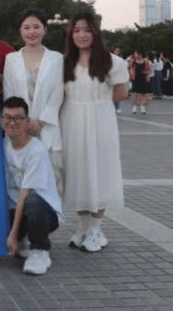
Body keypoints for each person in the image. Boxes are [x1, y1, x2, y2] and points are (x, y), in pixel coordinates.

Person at [60, 13, 128, 253]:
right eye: (77, 30)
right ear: (71, 34)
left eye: (87, 30)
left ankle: (96, 229)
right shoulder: (64, 63)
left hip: (101, 122)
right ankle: (83, 226)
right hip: (71, 121)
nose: (82, 35)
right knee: (77, 173)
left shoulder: (111, 62)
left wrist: (97, 103)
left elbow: (121, 92)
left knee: (100, 173)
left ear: (96, 33)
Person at [3, 9, 64, 195]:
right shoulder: (11, 60)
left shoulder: (56, 59)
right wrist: (23, 122)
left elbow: (58, 92)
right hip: (20, 129)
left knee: (51, 182)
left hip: (48, 128)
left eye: (36, 27)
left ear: (45, 29)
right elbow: (9, 94)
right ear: (20, 31)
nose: (32, 32)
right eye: (27, 27)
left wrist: (41, 121)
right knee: (22, 183)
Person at [1, 96, 62, 276]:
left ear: (27, 121)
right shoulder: (2, 146)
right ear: (1, 120)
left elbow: (24, 194)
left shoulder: (36, 150)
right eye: (7, 117)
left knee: (32, 201)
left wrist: (12, 235)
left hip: (43, 212)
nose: (12, 122)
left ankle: (40, 251)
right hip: (16, 211)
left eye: (18, 118)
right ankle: (23, 239)